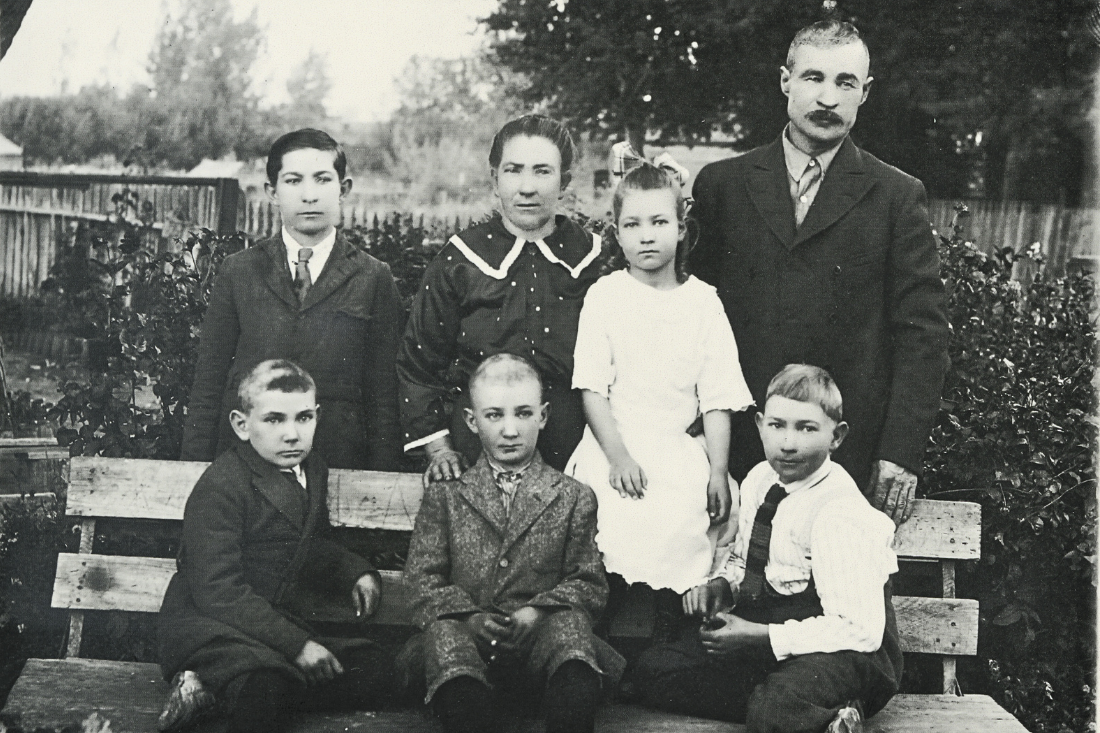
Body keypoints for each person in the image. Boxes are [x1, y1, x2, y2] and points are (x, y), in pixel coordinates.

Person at [689, 20, 950, 524]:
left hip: (844, 463)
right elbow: (688, 319)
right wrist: (696, 432)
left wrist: (899, 453)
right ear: (786, 80)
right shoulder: (723, 185)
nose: (827, 97)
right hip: (731, 452)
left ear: (865, 92)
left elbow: (923, 335)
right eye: (813, 78)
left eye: (845, 82)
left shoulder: (895, 196)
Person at [633, 364, 903, 733]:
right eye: (777, 425)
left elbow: (860, 631)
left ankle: (809, 712)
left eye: (806, 428)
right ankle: (813, 709)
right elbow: (745, 560)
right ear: (760, 424)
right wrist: (721, 586)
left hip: (848, 653)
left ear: (836, 436)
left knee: (772, 709)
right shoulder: (761, 479)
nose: (788, 443)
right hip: (779, 637)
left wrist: (757, 637)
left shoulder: (839, 511)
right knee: (655, 670)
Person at [158, 360, 394, 733]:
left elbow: (308, 545)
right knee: (263, 689)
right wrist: (298, 646)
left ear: (317, 416)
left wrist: (355, 571)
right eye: (274, 420)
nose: (291, 434)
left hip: (270, 625)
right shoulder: (222, 486)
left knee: (376, 669)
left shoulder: (312, 469)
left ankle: (210, 692)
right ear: (241, 424)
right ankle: (224, 680)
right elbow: (218, 590)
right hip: (213, 626)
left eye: (303, 418)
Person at [399, 353, 624, 733]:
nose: (509, 430)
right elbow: (422, 582)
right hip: (464, 660)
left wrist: (538, 613)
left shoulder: (572, 496)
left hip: (537, 663)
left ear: (544, 415)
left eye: (522, 413)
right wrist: (470, 619)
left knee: (570, 627)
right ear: (472, 421)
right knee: (443, 632)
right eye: (494, 415)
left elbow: (588, 583)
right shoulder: (448, 495)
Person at [564, 164, 753, 607]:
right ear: (617, 233)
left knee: (686, 511)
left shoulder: (703, 302)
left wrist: (719, 472)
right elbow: (591, 388)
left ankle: (671, 623)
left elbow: (718, 399)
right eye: (633, 224)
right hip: (613, 442)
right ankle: (609, 625)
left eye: (659, 222)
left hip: (678, 446)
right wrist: (618, 457)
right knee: (618, 510)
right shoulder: (606, 296)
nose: (646, 236)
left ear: (682, 229)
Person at [398, 115, 605, 484]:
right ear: (495, 180)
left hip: (579, 452)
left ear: (565, 182)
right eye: (513, 171)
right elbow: (418, 365)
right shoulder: (460, 260)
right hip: (480, 453)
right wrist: (440, 450)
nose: (527, 187)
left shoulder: (594, 259)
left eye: (542, 171)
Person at [181, 128, 403, 471]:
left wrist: (381, 484)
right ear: (273, 191)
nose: (309, 195)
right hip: (245, 469)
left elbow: (383, 397)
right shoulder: (239, 272)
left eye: (322, 179)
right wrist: (192, 472)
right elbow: (209, 382)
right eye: (294, 180)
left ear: (343, 189)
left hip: (338, 467)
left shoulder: (373, 278)